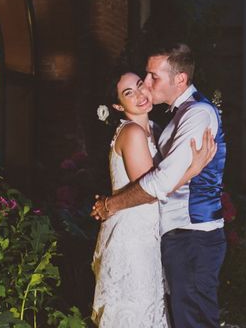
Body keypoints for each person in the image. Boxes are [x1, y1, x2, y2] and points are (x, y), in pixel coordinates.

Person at [91, 43, 227, 328]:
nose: (145, 88)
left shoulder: (181, 118)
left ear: (179, 79)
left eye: (149, 79)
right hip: (140, 235)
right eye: (131, 91)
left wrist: (110, 204)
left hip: (184, 234)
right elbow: (153, 186)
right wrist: (192, 169)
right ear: (118, 105)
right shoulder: (137, 131)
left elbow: (158, 183)